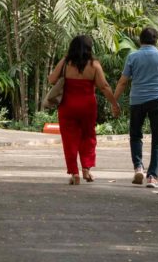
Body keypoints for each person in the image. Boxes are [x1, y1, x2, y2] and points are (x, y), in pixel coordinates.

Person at [113, 27, 158, 189]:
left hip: (137, 101)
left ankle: (138, 167)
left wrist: (114, 101)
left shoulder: (133, 56)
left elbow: (123, 82)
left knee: (136, 135)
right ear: (156, 40)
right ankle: (152, 177)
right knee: (157, 139)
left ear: (140, 40)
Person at [48, 35, 120, 185]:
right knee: (88, 136)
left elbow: (52, 80)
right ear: (89, 48)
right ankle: (86, 169)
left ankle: (75, 173)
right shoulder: (94, 65)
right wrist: (114, 103)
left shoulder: (66, 62)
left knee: (69, 139)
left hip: (68, 106)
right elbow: (104, 86)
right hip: (88, 106)